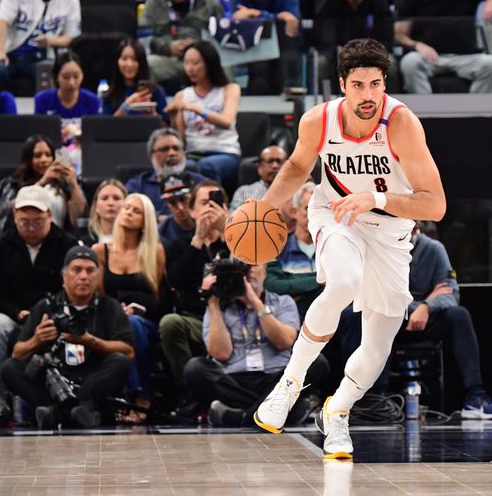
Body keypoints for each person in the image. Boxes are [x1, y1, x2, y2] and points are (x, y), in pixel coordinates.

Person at [253, 38, 445, 460]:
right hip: (336, 214)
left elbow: (435, 204)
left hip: (390, 229)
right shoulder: (318, 121)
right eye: (358, 85)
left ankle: (337, 410)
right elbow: (297, 168)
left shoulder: (402, 124)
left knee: (378, 345)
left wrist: (375, 200)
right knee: (342, 283)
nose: (368, 96)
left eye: (376, 85)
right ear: (342, 84)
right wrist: (262, 209)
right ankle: (289, 383)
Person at [337, 222, 492, 418]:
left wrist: (427, 307)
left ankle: (474, 395)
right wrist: (414, 306)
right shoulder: (376, 247)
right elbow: (370, 291)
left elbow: (451, 292)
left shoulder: (434, 249)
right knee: (352, 315)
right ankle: (372, 396)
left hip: (423, 321)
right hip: (387, 316)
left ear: (415, 227)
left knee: (459, 315)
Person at [1, 246, 134, 429]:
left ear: (97, 277)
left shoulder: (109, 306)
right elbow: (17, 354)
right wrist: (37, 339)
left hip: (93, 376)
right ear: (64, 276)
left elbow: (128, 352)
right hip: (54, 379)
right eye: (77, 270)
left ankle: (57, 413)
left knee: (119, 361)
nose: (84, 277)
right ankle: (72, 410)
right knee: (10, 368)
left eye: (90, 271)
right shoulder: (46, 306)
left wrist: (90, 341)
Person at [183, 262, 329, 426]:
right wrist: (213, 304)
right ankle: (282, 411)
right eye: (244, 267)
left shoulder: (283, 302)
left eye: (254, 265)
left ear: (265, 271)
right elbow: (221, 353)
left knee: (316, 362)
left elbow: (284, 342)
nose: (249, 270)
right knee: (195, 368)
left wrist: (254, 301)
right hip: (234, 381)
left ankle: (243, 416)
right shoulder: (219, 306)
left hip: (276, 378)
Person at [0, 185, 78, 422]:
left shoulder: (67, 245)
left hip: (53, 315)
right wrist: (16, 312)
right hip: (13, 314)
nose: (30, 228)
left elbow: (72, 289)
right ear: (14, 216)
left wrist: (48, 314)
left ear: (50, 216)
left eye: (37, 222)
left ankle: (69, 396)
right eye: (25, 222)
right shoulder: (1, 246)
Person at [93, 193, 165, 423]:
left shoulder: (155, 252)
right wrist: (118, 310)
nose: (128, 212)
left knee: (133, 325)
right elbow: (100, 297)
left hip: (144, 322)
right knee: (124, 326)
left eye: (136, 211)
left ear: (146, 221)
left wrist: (135, 305)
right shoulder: (100, 251)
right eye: (125, 208)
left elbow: (157, 299)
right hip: (111, 322)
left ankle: (139, 396)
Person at [160, 181, 229, 404]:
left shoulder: (238, 243)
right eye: (203, 203)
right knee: (170, 323)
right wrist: (198, 239)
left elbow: (253, 271)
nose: (210, 208)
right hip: (196, 318)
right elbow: (177, 282)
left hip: (233, 316)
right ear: (192, 211)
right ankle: (190, 392)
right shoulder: (179, 245)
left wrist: (229, 233)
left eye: (216, 202)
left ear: (226, 208)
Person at [394, 0, 492, 94]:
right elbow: (399, 33)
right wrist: (416, 45)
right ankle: (425, 113)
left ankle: (478, 112)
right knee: (409, 62)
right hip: (429, 58)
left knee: (490, 63)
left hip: (466, 58)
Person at [165, 41, 241, 185]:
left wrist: (194, 108)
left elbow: (227, 121)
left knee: (206, 166)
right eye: (186, 63)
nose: (190, 69)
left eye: (195, 63)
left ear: (209, 63)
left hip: (224, 152)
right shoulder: (182, 96)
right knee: (179, 167)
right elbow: (181, 139)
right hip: (192, 153)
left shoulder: (229, 89)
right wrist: (174, 117)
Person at [140, 0, 224, 93]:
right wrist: (168, 47)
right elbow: (142, 40)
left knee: (225, 66)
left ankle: (223, 108)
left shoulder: (210, 4)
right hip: (169, 60)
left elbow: (222, 39)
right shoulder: (153, 4)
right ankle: (148, 110)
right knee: (147, 65)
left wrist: (200, 48)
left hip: (204, 62)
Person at [0, 0, 79, 92]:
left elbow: (70, 36)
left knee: (49, 71)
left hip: (42, 57)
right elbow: (2, 21)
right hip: (11, 54)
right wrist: (0, 52)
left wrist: (51, 40)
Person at [315, 0, 394, 92]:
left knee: (392, 63)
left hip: (373, 55)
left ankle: (389, 106)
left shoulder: (379, 4)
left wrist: (369, 55)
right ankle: (326, 105)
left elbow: (386, 41)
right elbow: (325, 42)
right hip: (338, 56)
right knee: (321, 63)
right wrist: (346, 56)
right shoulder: (329, 5)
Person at [0, 135, 86, 237]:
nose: (44, 160)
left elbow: (78, 217)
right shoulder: (13, 183)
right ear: (28, 159)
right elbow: (7, 215)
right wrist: (43, 181)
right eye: (37, 156)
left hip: (57, 241)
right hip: (23, 240)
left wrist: (73, 184)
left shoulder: (63, 186)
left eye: (48, 154)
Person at [264, 182, 322, 319]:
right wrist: (320, 282)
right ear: (295, 212)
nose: (314, 214)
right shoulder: (279, 247)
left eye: (319, 209)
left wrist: (297, 288)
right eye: (308, 208)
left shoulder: (331, 247)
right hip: (293, 316)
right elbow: (272, 285)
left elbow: (342, 283)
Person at [125, 128, 208, 219]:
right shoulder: (138, 185)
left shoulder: (201, 183)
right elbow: (127, 212)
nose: (172, 153)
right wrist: (157, 219)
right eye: (165, 149)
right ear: (151, 156)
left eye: (176, 148)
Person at [34, 51, 99, 144]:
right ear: (56, 77)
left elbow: (93, 137)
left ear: (82, 75)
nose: (71, 82)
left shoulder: (92, 101)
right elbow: (38, 137)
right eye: (66, 77)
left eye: (76, 76)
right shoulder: (42, 100)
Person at [102, 38, 169, 123]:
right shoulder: (110, 94)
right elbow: (105, 129)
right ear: (117, 61)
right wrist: (125, 107)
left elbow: (166, 129)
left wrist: (154, 116)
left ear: (141, 62)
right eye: (124, 58)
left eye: (134, 59)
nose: (129, 64)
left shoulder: (156, 91)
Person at [229, 145, 288, 210]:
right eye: (270, 161)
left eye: (279, 161)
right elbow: (232, 218)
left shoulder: (298, 191)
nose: (275, 166)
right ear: (259, 168)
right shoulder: (243, 192)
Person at [83, 179, 127, 246]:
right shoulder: (84, 244)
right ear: (96, 207)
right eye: (104, 198)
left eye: (116, 198)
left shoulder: (138, 242)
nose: (111, 203)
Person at [158, 173, 196, 245]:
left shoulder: (208, 221)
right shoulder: (162, 232)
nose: (180, 207)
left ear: (193, 197)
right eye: (172, 202)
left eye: (183, 199)